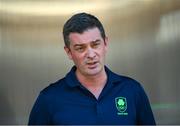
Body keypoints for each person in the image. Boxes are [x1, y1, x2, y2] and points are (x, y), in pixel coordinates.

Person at [28, 12, 156, 125]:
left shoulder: (132, 90)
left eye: (95, 45)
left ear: (105, 43)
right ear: (68, 52)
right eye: (80, 48)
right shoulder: (49, 99)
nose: (90, 54)